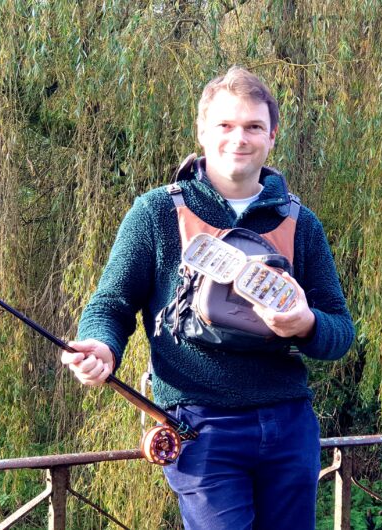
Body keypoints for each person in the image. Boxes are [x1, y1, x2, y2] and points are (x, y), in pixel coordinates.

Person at [61, 66, 354, 530]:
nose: (239, 138)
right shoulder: (156, 212)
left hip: (288, 424)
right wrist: (101, 345)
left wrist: (307, 325)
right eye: (225, 125)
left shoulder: (301, 222)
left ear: (272, 136)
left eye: (254, 126)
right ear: (202, 132)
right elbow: (109, 306)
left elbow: (340, 332)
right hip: (200, 429)